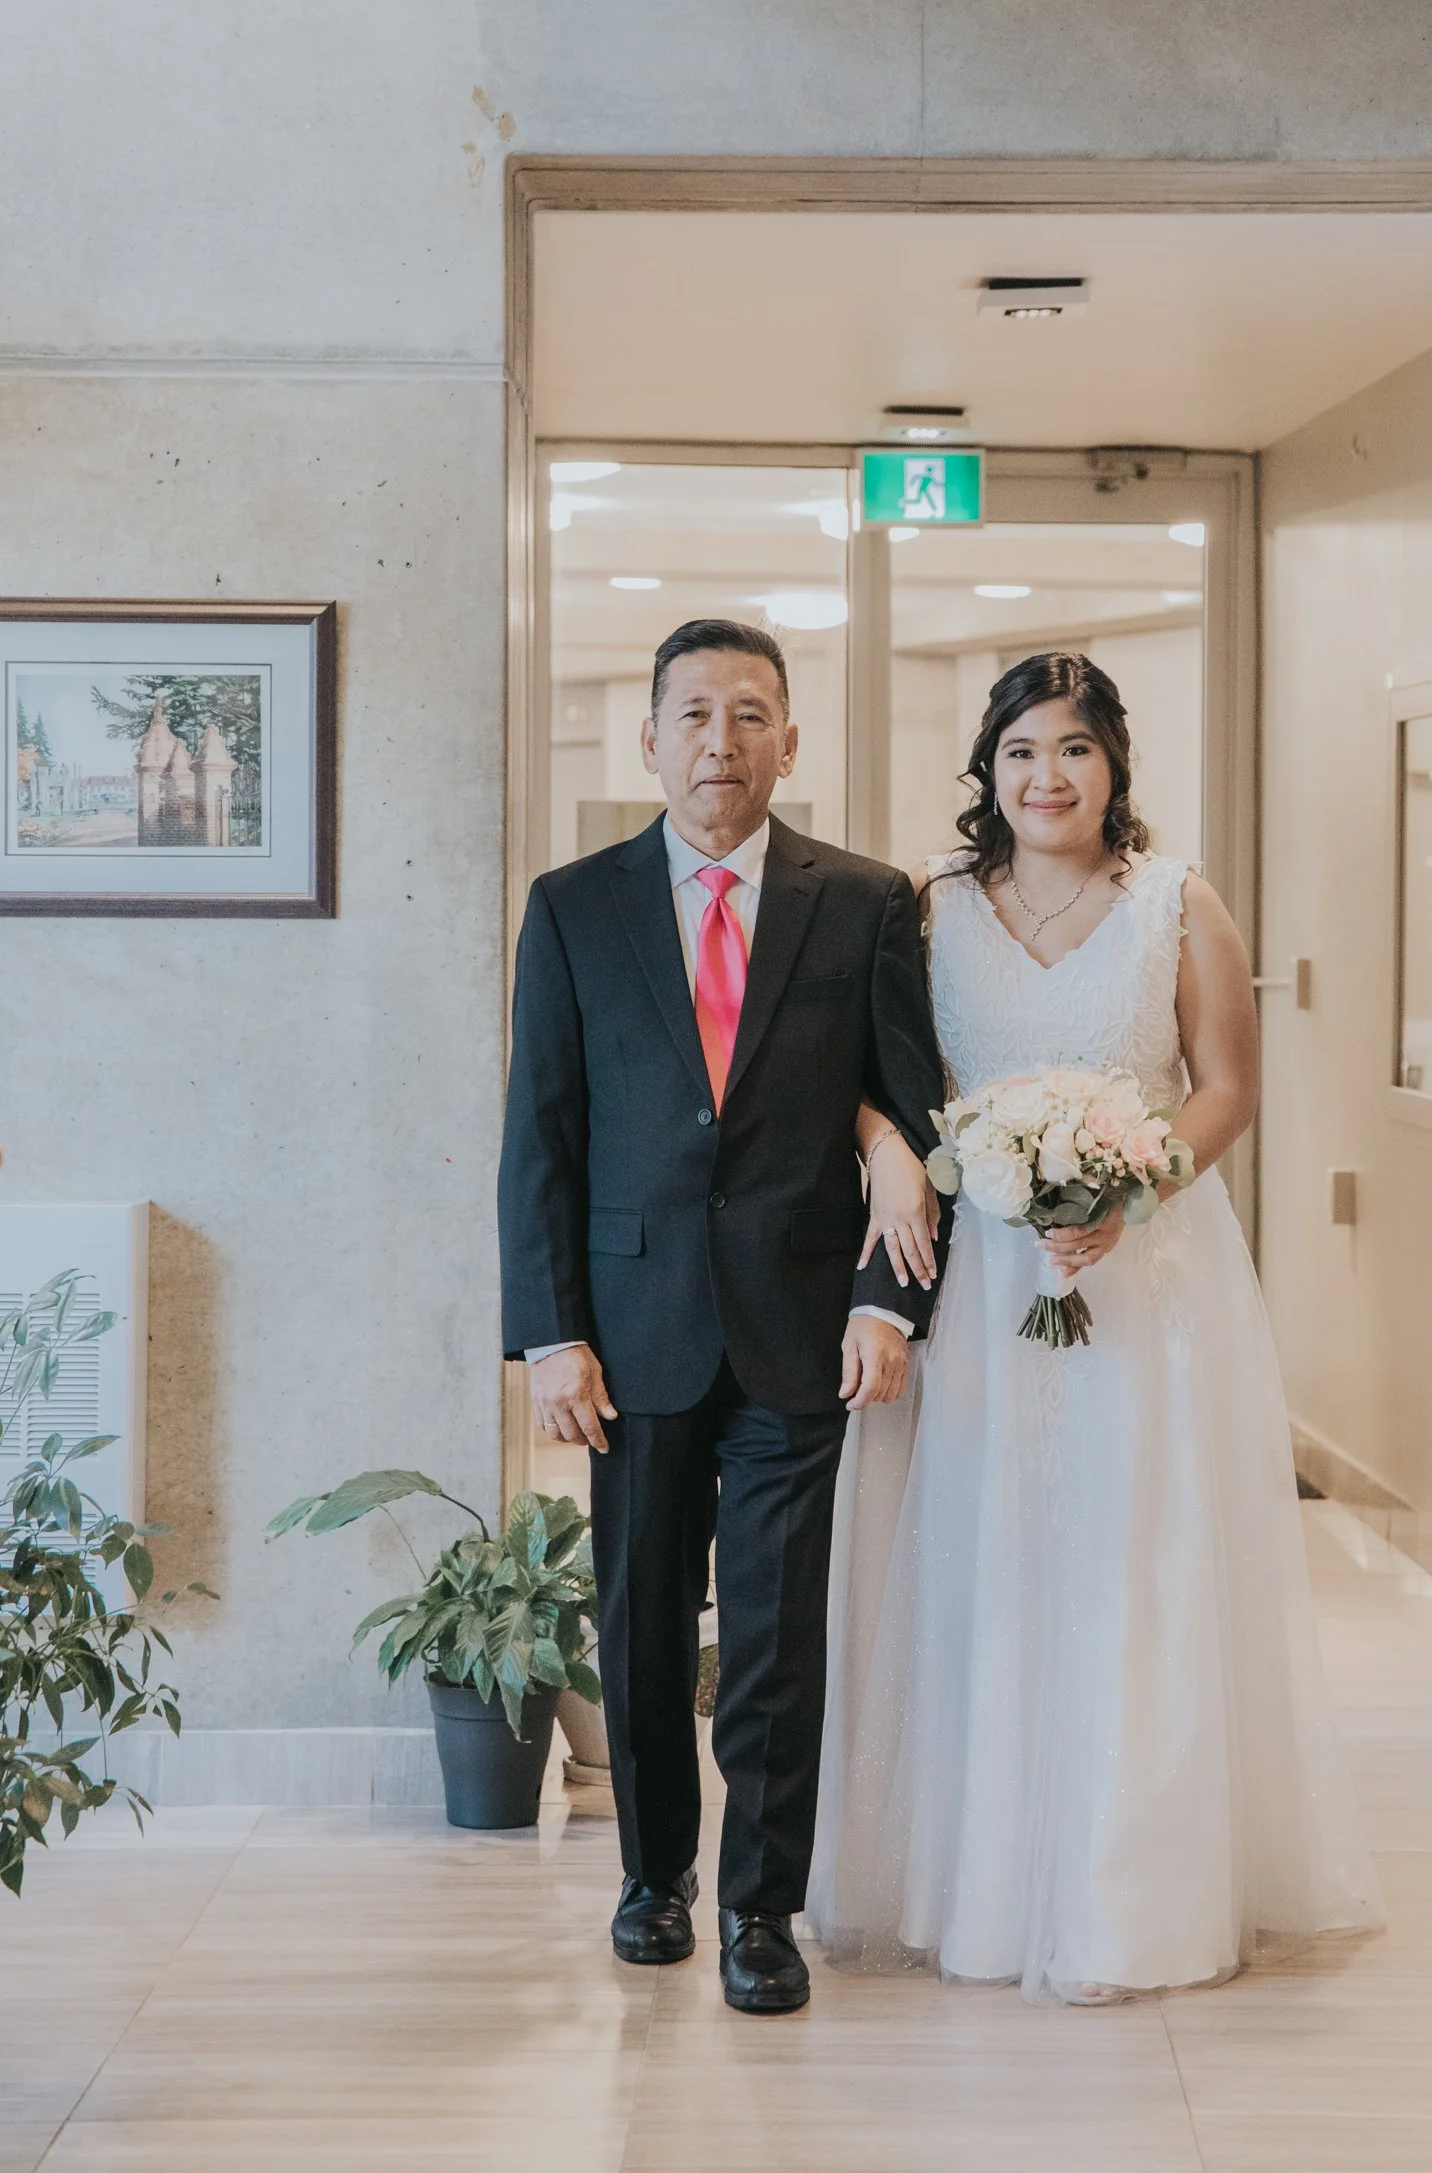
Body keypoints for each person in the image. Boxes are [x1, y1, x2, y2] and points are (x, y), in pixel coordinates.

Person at [809, 651, 1381, 2004]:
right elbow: (871, 1074)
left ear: (1114, 764)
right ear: (988, 769)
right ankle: (981, 1886)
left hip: (1144, 1280)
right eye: (1020, 751)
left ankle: (1130, 1898)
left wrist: (1132, 1189)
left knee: (1135, 1561)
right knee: (987, 1557)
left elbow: (1226, 1086)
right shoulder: (929, 908)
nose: (1046, 776)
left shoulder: (1178, 903)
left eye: (1072, 748)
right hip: (979, 1281)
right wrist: (896, 1156)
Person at [499, 618, 946, 2015]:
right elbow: (541, 1136)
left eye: (750, 715)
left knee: (772, 1635)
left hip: (800, 1327)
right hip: (630, 1335)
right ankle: (654, 1880)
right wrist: (550, 1334)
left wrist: (887, 1304)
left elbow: (912, 1116)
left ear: (789, 743)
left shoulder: (863, 902)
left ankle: (762, 1906)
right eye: (693, 715)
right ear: (650, 740)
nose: (720, 742)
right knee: (641, 1626)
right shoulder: (572, 907)